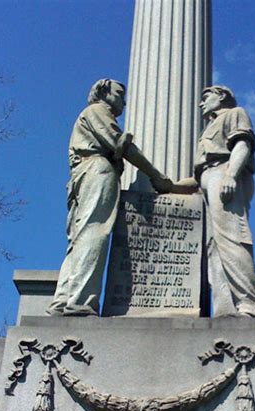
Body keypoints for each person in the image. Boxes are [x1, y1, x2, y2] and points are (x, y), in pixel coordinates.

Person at [47, 79, 173, 316]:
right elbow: (121, 146)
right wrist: (156, 176)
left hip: (83, 175)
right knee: (94, 233)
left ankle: (62, 302)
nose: (124, 100)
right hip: (97, 171)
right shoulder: (97, 111)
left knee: (81, 238)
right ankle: (79, 302)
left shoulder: (92, 115)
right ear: (104, 93)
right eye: (120, 94)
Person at [193, 85, 255, 318]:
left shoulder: (235, 113)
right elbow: (201, 167)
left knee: (232, 238)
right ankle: (226, 308)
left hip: (224, 174)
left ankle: (248, 306)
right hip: (209, 181)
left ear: (221, 96)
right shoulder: (208, 128)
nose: (201, 103)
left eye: (206, 97)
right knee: (214, 246)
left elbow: (242, 144)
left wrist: (231, 175)